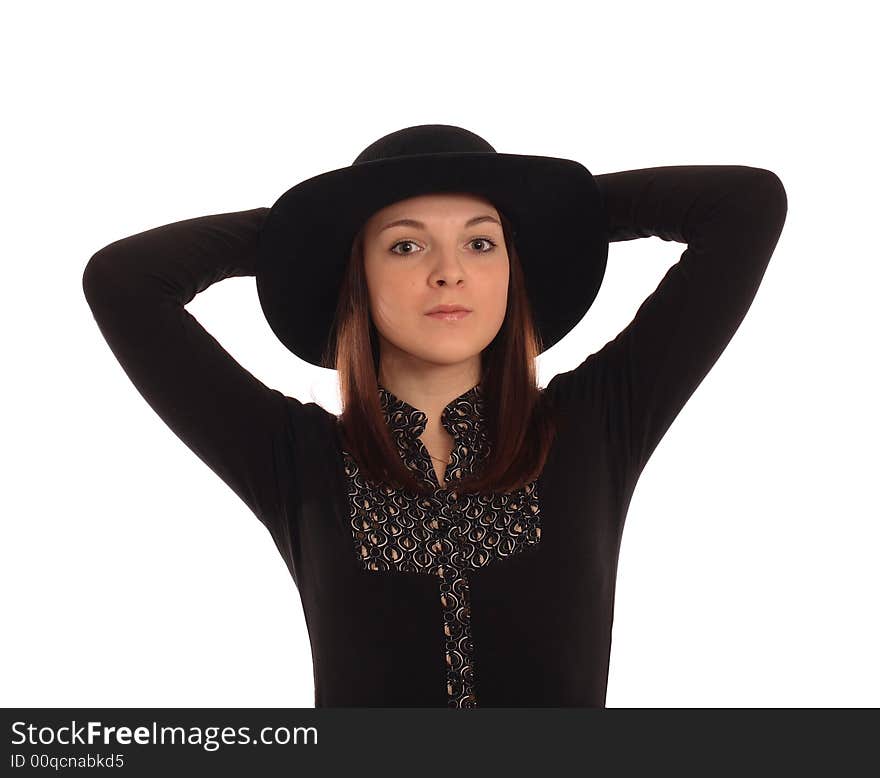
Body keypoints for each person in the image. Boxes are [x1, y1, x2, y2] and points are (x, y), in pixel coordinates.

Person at [81, 125, 788, 708]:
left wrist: (557, 211)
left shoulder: (596, 425)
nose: (449, 271)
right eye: (405, 244)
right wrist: (307, 233)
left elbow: (746, 205)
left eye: (481, 243)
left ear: (514, 267)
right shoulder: (297, 460)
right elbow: (124, 281)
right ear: (356, 272)